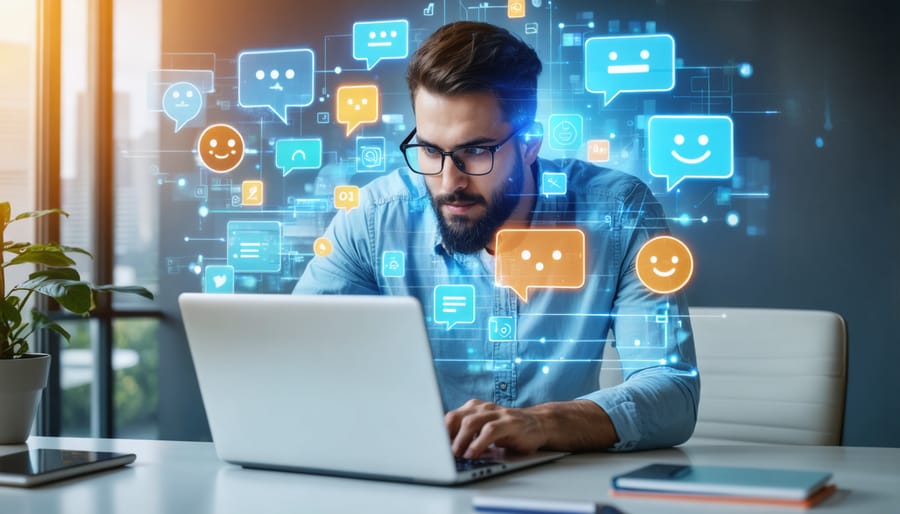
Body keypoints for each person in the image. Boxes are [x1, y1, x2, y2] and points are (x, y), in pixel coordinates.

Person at [294, 21, 699, 458]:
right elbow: (290, 357)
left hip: (562, 487)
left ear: (529, 144)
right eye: (430, 150)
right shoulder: (373, 219)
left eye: (476, 151)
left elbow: (673, 392)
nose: (450, 181)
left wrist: (542, 423)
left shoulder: (618, 213)